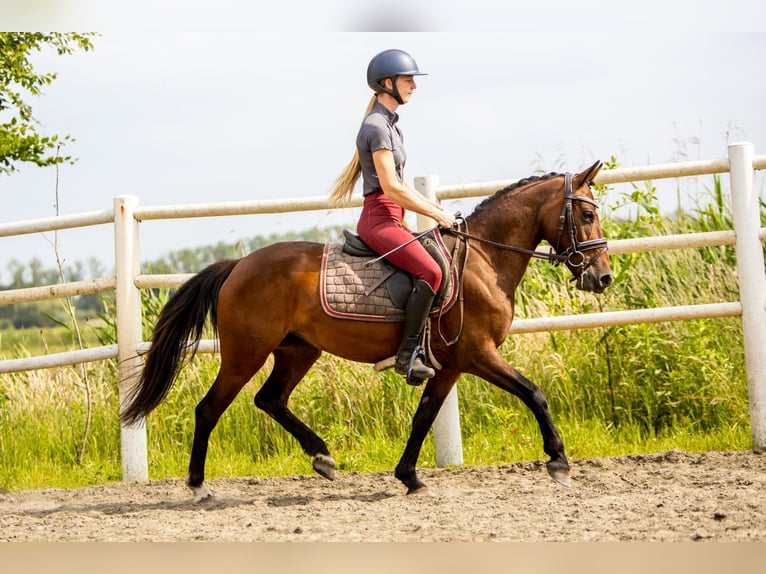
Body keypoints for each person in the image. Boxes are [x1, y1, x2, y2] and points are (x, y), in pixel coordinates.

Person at [329, 48, 456, 385]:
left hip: (392, 218)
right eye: (407, 79)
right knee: (430, 271)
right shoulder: (377, 127)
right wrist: (435, 213)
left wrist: (437, 211)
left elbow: (400, 188)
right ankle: (407, 356)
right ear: (388, 83)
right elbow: (391, 188)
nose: (414, 85)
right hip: (379, 221)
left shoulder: (389, 125)